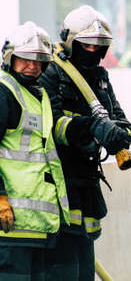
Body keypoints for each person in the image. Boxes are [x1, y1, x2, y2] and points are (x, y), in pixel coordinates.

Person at [39, 5, 131, 280]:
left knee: (83, 268)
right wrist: (91, 127)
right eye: (87, 46)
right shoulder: (52, 72)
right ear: (71, 41)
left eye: (99, 46)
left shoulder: (101, 78)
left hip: (87, 186)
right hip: (60, 183)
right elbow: (53, 124)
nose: (93, 52)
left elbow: (122, 121)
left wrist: (118, 134)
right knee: (63, 268)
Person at [0, 22, 70, 280]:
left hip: (35, 228)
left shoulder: (37, 95)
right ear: (11, 58)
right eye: (26, 59)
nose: (33, 66)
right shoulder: (4, 91)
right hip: (9, 229)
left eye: (39, 60)